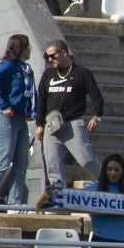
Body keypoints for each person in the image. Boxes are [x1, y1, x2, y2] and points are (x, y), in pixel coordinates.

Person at [32, 39, 103, 190]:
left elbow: (96, 97)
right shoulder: (48, 75)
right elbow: (42, 101)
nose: (49, 60)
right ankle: (58, 198)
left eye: (52, 56)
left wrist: (96, 115)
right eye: (47, 57)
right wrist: (39, 125)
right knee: (53, 165)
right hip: (52, 125)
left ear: (63, 53)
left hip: (73, 123)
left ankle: (112, 182)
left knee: (86, 160)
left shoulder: (82, 73)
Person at [0, 35, 33, 209]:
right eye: (28, 46)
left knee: (21, 162)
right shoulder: (8, 65)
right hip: (6, 118)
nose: (30, 49)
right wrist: (3, 105)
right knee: (3, 160)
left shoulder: (24, 68)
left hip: (20, 119)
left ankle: (15, 202)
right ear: (21, 49)